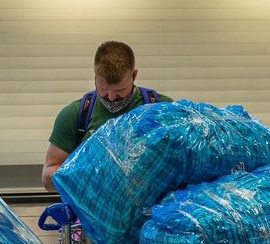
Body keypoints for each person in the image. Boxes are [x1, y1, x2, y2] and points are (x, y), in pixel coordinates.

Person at [42, 41, 172, 192]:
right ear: (95, 76)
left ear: (134, 75)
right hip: (90, 210)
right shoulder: (75, 116)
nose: (110, 97)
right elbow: (47, 178)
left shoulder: (162, 109)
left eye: (120, 90)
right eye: (103, 89)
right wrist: (82, 175)